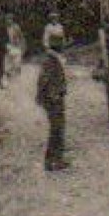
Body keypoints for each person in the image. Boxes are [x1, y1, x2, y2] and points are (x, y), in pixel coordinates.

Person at [35, 30, 69, 171]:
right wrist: (52, 96)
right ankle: (53, 160)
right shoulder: (51, 60)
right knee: (57, 128)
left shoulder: (53, 58)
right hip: (53, 99)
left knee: (58, 128)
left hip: (55, 97)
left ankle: (55, 159)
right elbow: (44, 80)